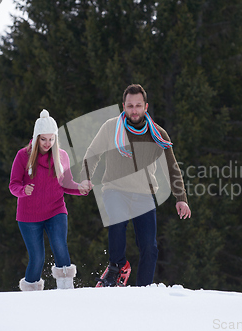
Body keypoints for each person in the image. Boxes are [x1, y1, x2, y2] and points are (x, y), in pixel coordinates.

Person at [81, 84, 191, 287]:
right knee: (117, 220)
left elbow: (171, 167)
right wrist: (86, 176)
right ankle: (116, 268)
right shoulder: (111, 127)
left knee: (149, 247)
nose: (134, 110)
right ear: (123, 106)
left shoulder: (158, 134)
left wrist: (181, 198)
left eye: (138, 105)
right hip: (115, 189)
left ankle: (144, 289)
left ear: (145, 107)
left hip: (144, 194)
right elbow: (93, 152)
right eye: (130, 105)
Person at [9, 109, 90, 291]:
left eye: (51, 139)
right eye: (43, 139)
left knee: (60, 245)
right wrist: (23, 190)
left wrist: (80, 188)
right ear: (36, 137)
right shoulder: (23, 156)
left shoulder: (61, 156)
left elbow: (66, 183)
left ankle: (66, 291)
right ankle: (31, 295)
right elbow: (13, 185)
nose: (47, 143)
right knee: (37, 258)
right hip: (29, 216)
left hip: (55, 210)